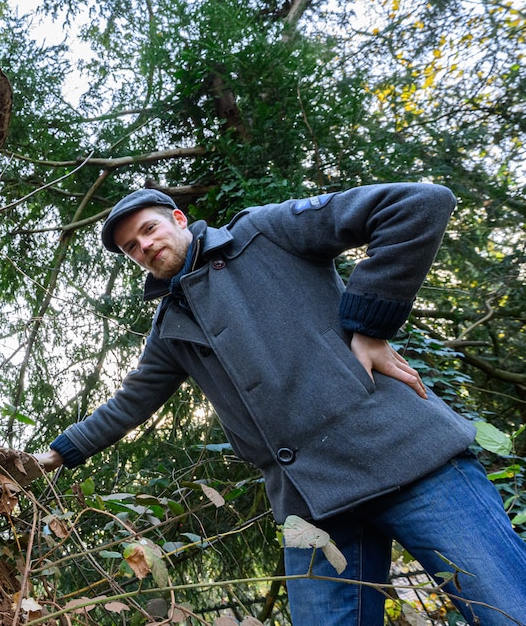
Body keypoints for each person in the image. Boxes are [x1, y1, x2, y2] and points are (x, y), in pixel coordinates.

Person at [29, 184, 526, 625]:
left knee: (507, 609)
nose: (145, 247)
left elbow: (417, 203)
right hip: (311, 508)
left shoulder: (265, 233)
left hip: (410, 461)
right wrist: (55, 455)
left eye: (149, 230)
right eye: (132, 248)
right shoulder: (170, 326)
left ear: (178, 218)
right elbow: (131, 400)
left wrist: (371, 325)